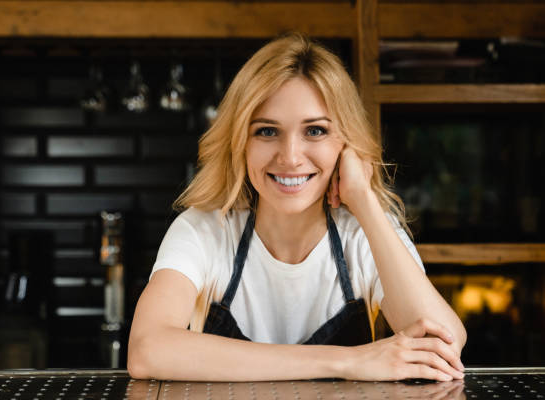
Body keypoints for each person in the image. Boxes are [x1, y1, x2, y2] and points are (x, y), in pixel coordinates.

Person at [127, 32, 466, 382]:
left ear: (345, 142)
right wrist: (346, 362)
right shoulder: (204, 229)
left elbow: (441, 345)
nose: (289, 157)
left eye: (315, 131)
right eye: (267, 132)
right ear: (239, 142)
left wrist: (364, 200)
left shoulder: (363, 232)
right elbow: (147, 349)